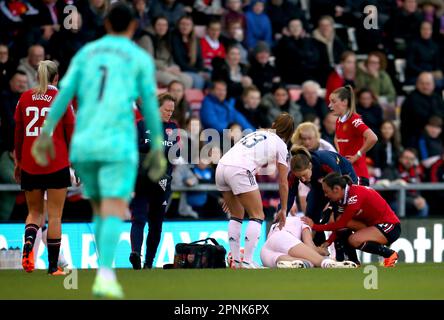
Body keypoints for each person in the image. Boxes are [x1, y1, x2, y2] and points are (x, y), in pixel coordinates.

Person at [31, 3, 166, 299]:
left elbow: (63, 93)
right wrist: (157, 143)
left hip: (83, 144)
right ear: (132, 27)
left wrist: (45, 131)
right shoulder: (137, 57)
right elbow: (149, 105)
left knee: (100, 208)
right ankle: (105, 275)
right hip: (116, 142)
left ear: (105, 25)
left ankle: (104, 272)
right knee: (113, 207)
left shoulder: (86, 53)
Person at [14, 60, 75, 275]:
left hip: (30, 162)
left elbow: (19, 133)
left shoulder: (25, 97)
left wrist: (19, 162)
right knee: (55, 216)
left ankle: (29, 244)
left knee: (34, 212)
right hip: (56, 162)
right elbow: (71, 131)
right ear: (56, 78)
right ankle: (52, 267)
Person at [216, 113, 295, 268]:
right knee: (258, 215)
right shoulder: (281, 145)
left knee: (236, 215)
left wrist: (231, 193)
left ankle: (236, 261)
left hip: (221, 167)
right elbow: (283, 182)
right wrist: (284, 209)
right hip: (239, 170)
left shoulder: (256, 133)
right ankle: (247, 262)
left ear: (274, 124)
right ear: (290, 133)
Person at [301, 172, 401, 267]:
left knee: (354, 240)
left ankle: (390, 254)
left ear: (336, 189)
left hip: (391, 227)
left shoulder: (355, 197)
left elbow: (341, 224)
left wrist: (314, 226)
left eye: (326, 192)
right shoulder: (344, 197)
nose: (326, 195)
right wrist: (329, 241)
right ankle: (354, 261)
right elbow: (342, 225)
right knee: (340, 221)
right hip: (373, 226)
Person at [130, 93, 179, 270]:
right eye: (166, 109)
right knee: (139, 218)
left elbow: (176, 154)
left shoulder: (173, 128)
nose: (169, 113)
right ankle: (136, 253)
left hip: (163, 181)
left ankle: (149, 262)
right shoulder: (142, 125)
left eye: (172, 111)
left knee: (156, 224)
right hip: (142, 178)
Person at [288, 145, 358, 263]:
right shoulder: (293, 175)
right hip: (321, 186)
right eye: (299, 177)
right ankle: (321, 257)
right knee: (310, 219)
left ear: (310, 166)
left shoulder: (325, 163)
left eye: (304, 175)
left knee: (337, 217)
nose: (303, 180)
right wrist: (282, 212)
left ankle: (348, 258)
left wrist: (330, 208)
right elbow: (289, 196)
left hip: (343, 180)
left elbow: (339, 188)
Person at [260, 215, 356, 269]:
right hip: (282, 238)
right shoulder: (304, 222)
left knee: (306, 263)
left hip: (265, 251)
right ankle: (331, 264)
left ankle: (288, 262)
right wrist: (321, 251)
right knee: (320, 260)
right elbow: (309, 245)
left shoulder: (282, 223)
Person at [329, 85, 378, 186]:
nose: (330, 105)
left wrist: (357, 155)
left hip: (358, 175)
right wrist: (340, 153)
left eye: (333, 102)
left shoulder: (354, 119)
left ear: (345, 102)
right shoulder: (339, 120)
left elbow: (373, 138)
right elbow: (336, 137)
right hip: (346, 174)